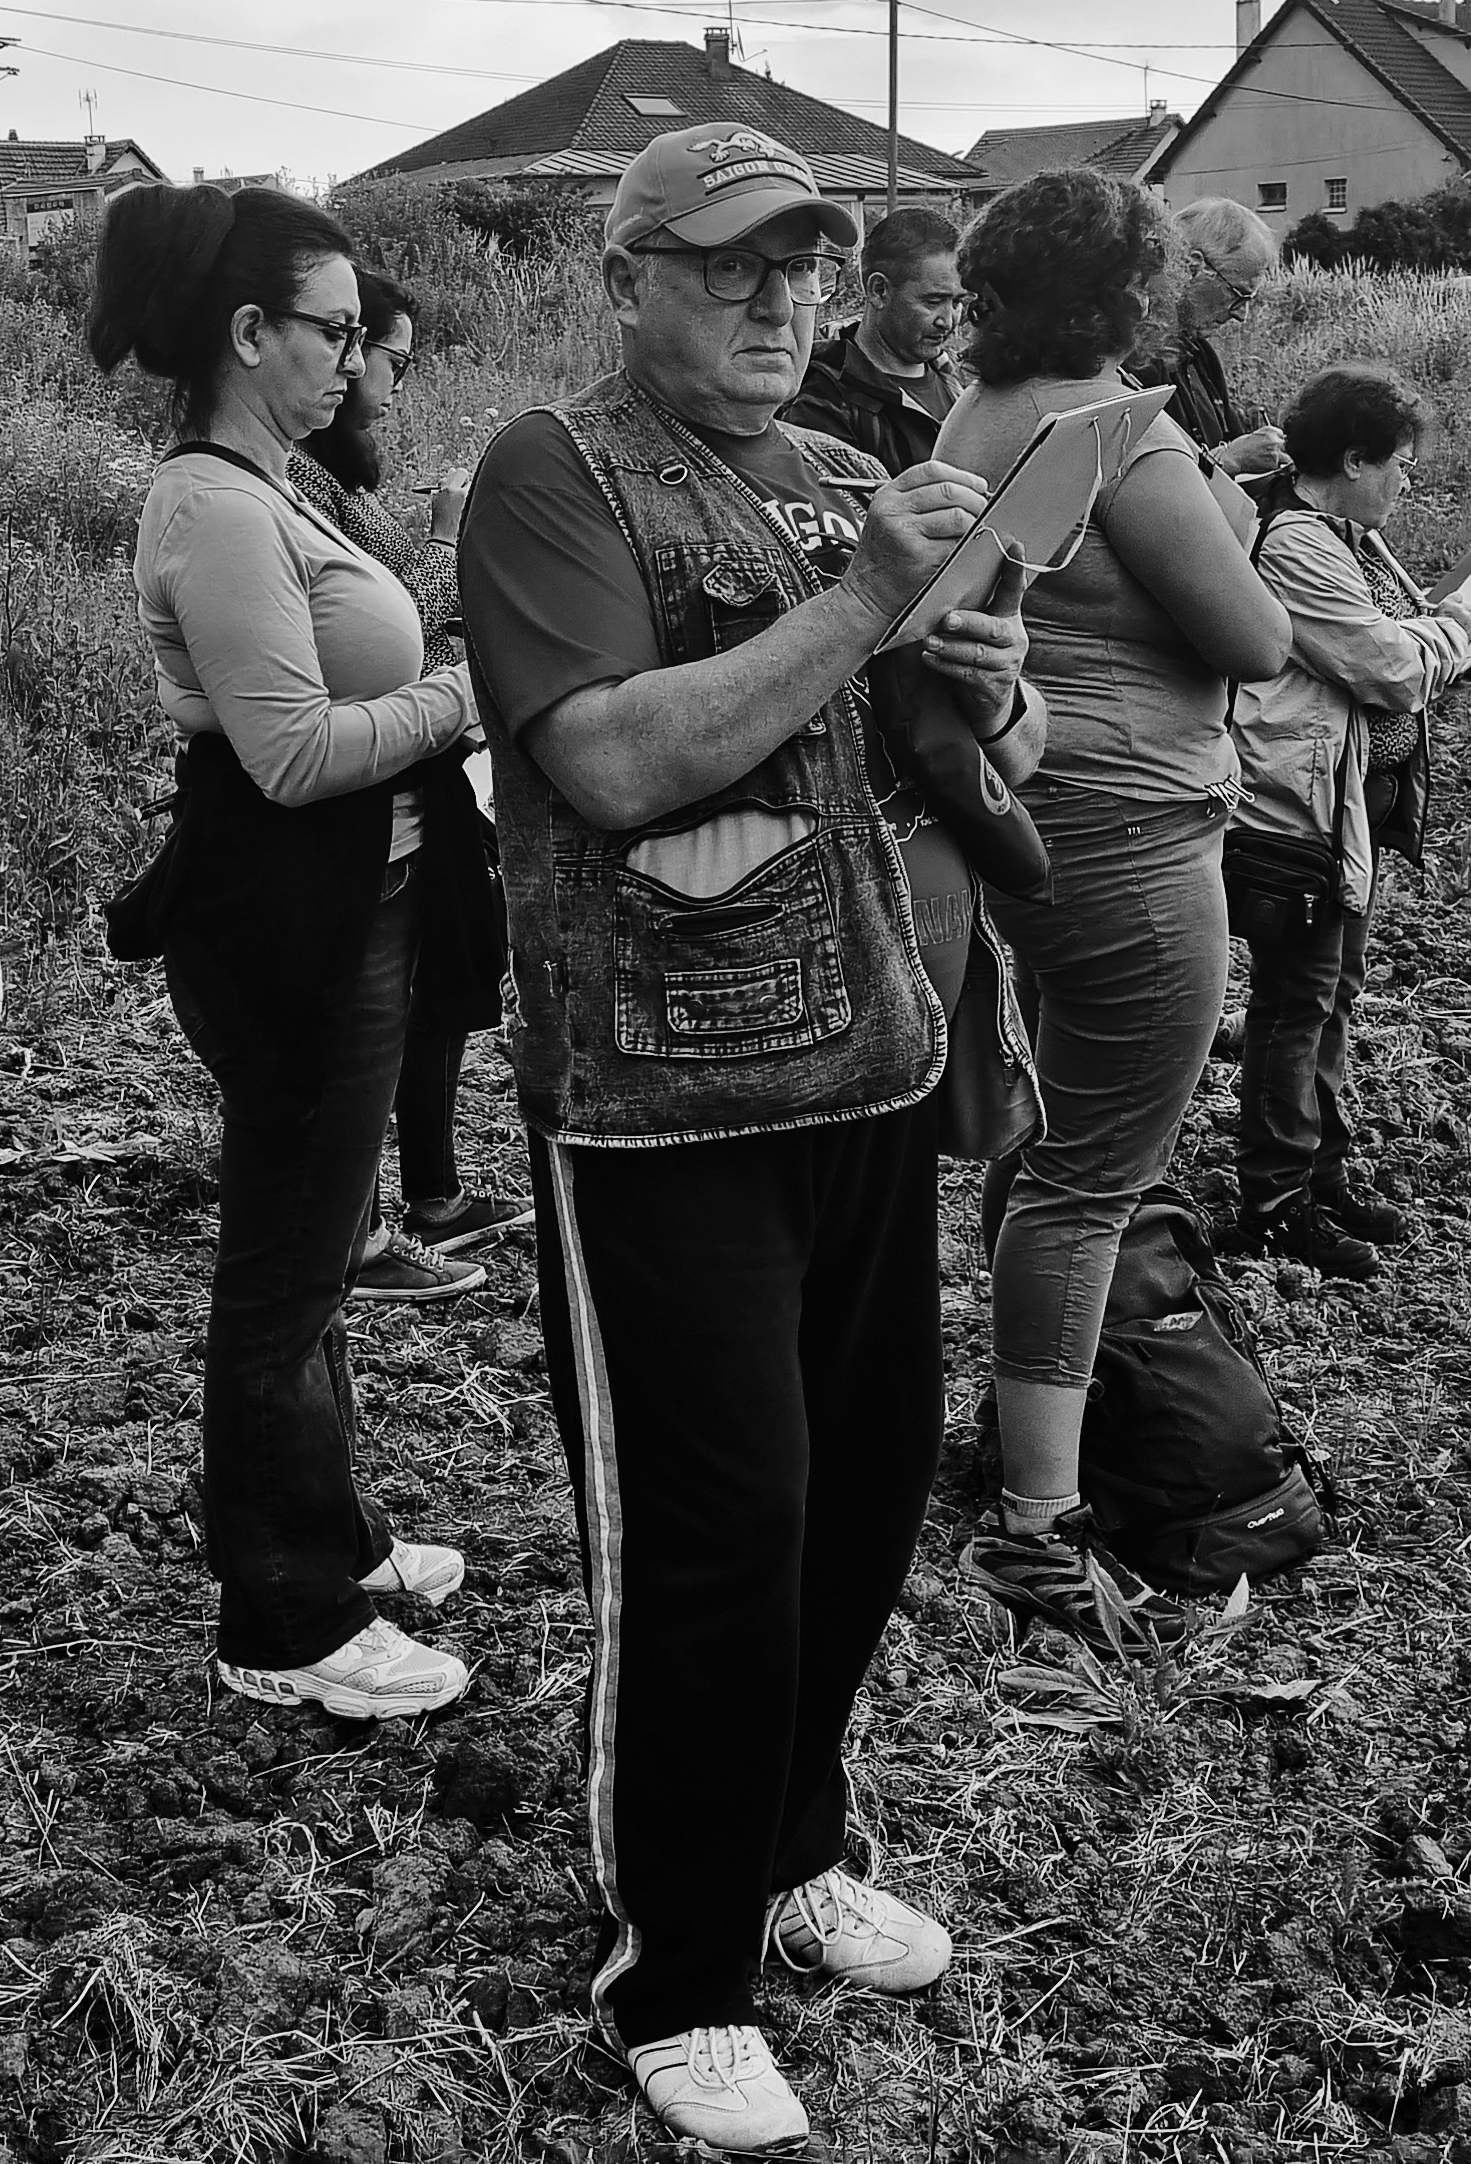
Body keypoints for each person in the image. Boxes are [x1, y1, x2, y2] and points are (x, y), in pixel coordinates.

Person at [458, 120, 1046, 2156]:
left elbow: (930, 762)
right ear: (627, 284)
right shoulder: (556, 473)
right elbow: (616, 761)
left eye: (805, 265)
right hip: (664, 1101)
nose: (783, 299)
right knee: (714, 1542)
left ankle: (796, 1842)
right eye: (732, 269)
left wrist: (977, 677)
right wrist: (872, 601)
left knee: (863, 1493)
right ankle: (677, 1969)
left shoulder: (835, 484)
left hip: (867, 1070)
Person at [101, 183, 495, 1722]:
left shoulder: (278, 485)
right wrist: (458, 702)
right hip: (290, 927)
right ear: (248, 334)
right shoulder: (211, 504)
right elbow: (288, 753)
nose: (354, 357)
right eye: (332, 331)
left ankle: (336, 1531)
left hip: (358, 908)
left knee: (325, 1247)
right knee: (283, 1271)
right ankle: (284, 1616)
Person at [940, 170, 1291, 1639]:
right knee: (1093, 1178)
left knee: (1067, 1156)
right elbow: (1255, 637)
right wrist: (1222, 491)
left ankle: (1039, 1450)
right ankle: (1038, 1523)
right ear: (1132, 295)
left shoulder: (981, 414)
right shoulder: (1125, 440)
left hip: (1039, 812)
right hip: (1136, 828)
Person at [1222, 365, 1471, 1280]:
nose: (1408, 483)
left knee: (1329, 997)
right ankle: (1274, 1199)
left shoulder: (1352, 538)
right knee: (1294, 1007)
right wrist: (1467, 627)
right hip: (1291, 811)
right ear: (1350, 459)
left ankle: (1321, 1170)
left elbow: (1407, 644)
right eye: (1399, 465)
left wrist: (1447, 640)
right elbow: (1391, 666)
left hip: (1341, 807)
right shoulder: (1297, 544)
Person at [291, 267, 523, 1293]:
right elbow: (390, 640)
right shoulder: (290, 483)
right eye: (380, 354)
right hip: (365, 783)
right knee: (367, 1011)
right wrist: (449, 542)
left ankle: (417, 1197)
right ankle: (361, 1229)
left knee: (422, 985)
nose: (373, 378)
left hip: (404, 769)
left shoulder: (334, 474)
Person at [780, 202, 967, 473]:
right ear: (878, 290)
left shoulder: (955, 377)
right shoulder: (824, 404)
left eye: (958, 302)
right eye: (933, 301)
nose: (948, 321)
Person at [1156, 194, 1291, 478]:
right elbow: (1144, 482)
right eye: (1238, 295)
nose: (1241, 316)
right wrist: (1230, 460)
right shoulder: (1130, 362)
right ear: (1193, 267)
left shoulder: (1201, 357)